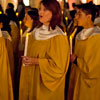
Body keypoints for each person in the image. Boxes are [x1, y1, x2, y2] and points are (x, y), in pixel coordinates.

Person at [19, 0, 70, 100]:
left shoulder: (58, 37)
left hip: (46, 86)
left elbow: (59, 67)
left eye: (45, 10)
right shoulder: (35, 32)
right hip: (31, 80)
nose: (40, 13)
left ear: (54, 13)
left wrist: (37, 61)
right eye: (39, 9)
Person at [67, 3, 100, 100]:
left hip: (89, 82)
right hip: (77, 76)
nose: (76, 17)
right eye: (76, 13)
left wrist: (77, 60)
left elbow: (94, 66)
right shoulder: (78, 35)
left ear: (89, 17)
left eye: (79, 14)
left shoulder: (96, 37)